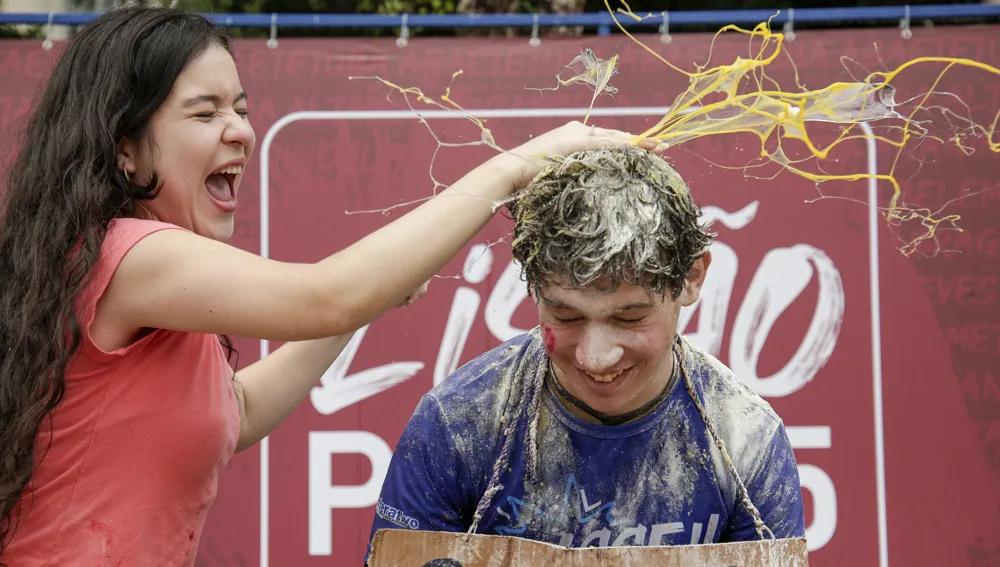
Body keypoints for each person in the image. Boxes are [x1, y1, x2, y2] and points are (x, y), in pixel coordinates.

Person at [0, 7, 658, 566]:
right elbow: (326, 296)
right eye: (204, 113)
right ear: (126, 149)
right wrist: (512, 168)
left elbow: (238, 410)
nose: (240, 130)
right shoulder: (131, 254)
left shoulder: (144, 272)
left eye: (240, 108)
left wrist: (362, 307)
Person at [366, 145, 805, 562]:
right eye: (567, 317)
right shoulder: (459, 422)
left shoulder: (746, 438)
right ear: (535, 291)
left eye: (629, 319)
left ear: (691, 277)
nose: (596, 358)